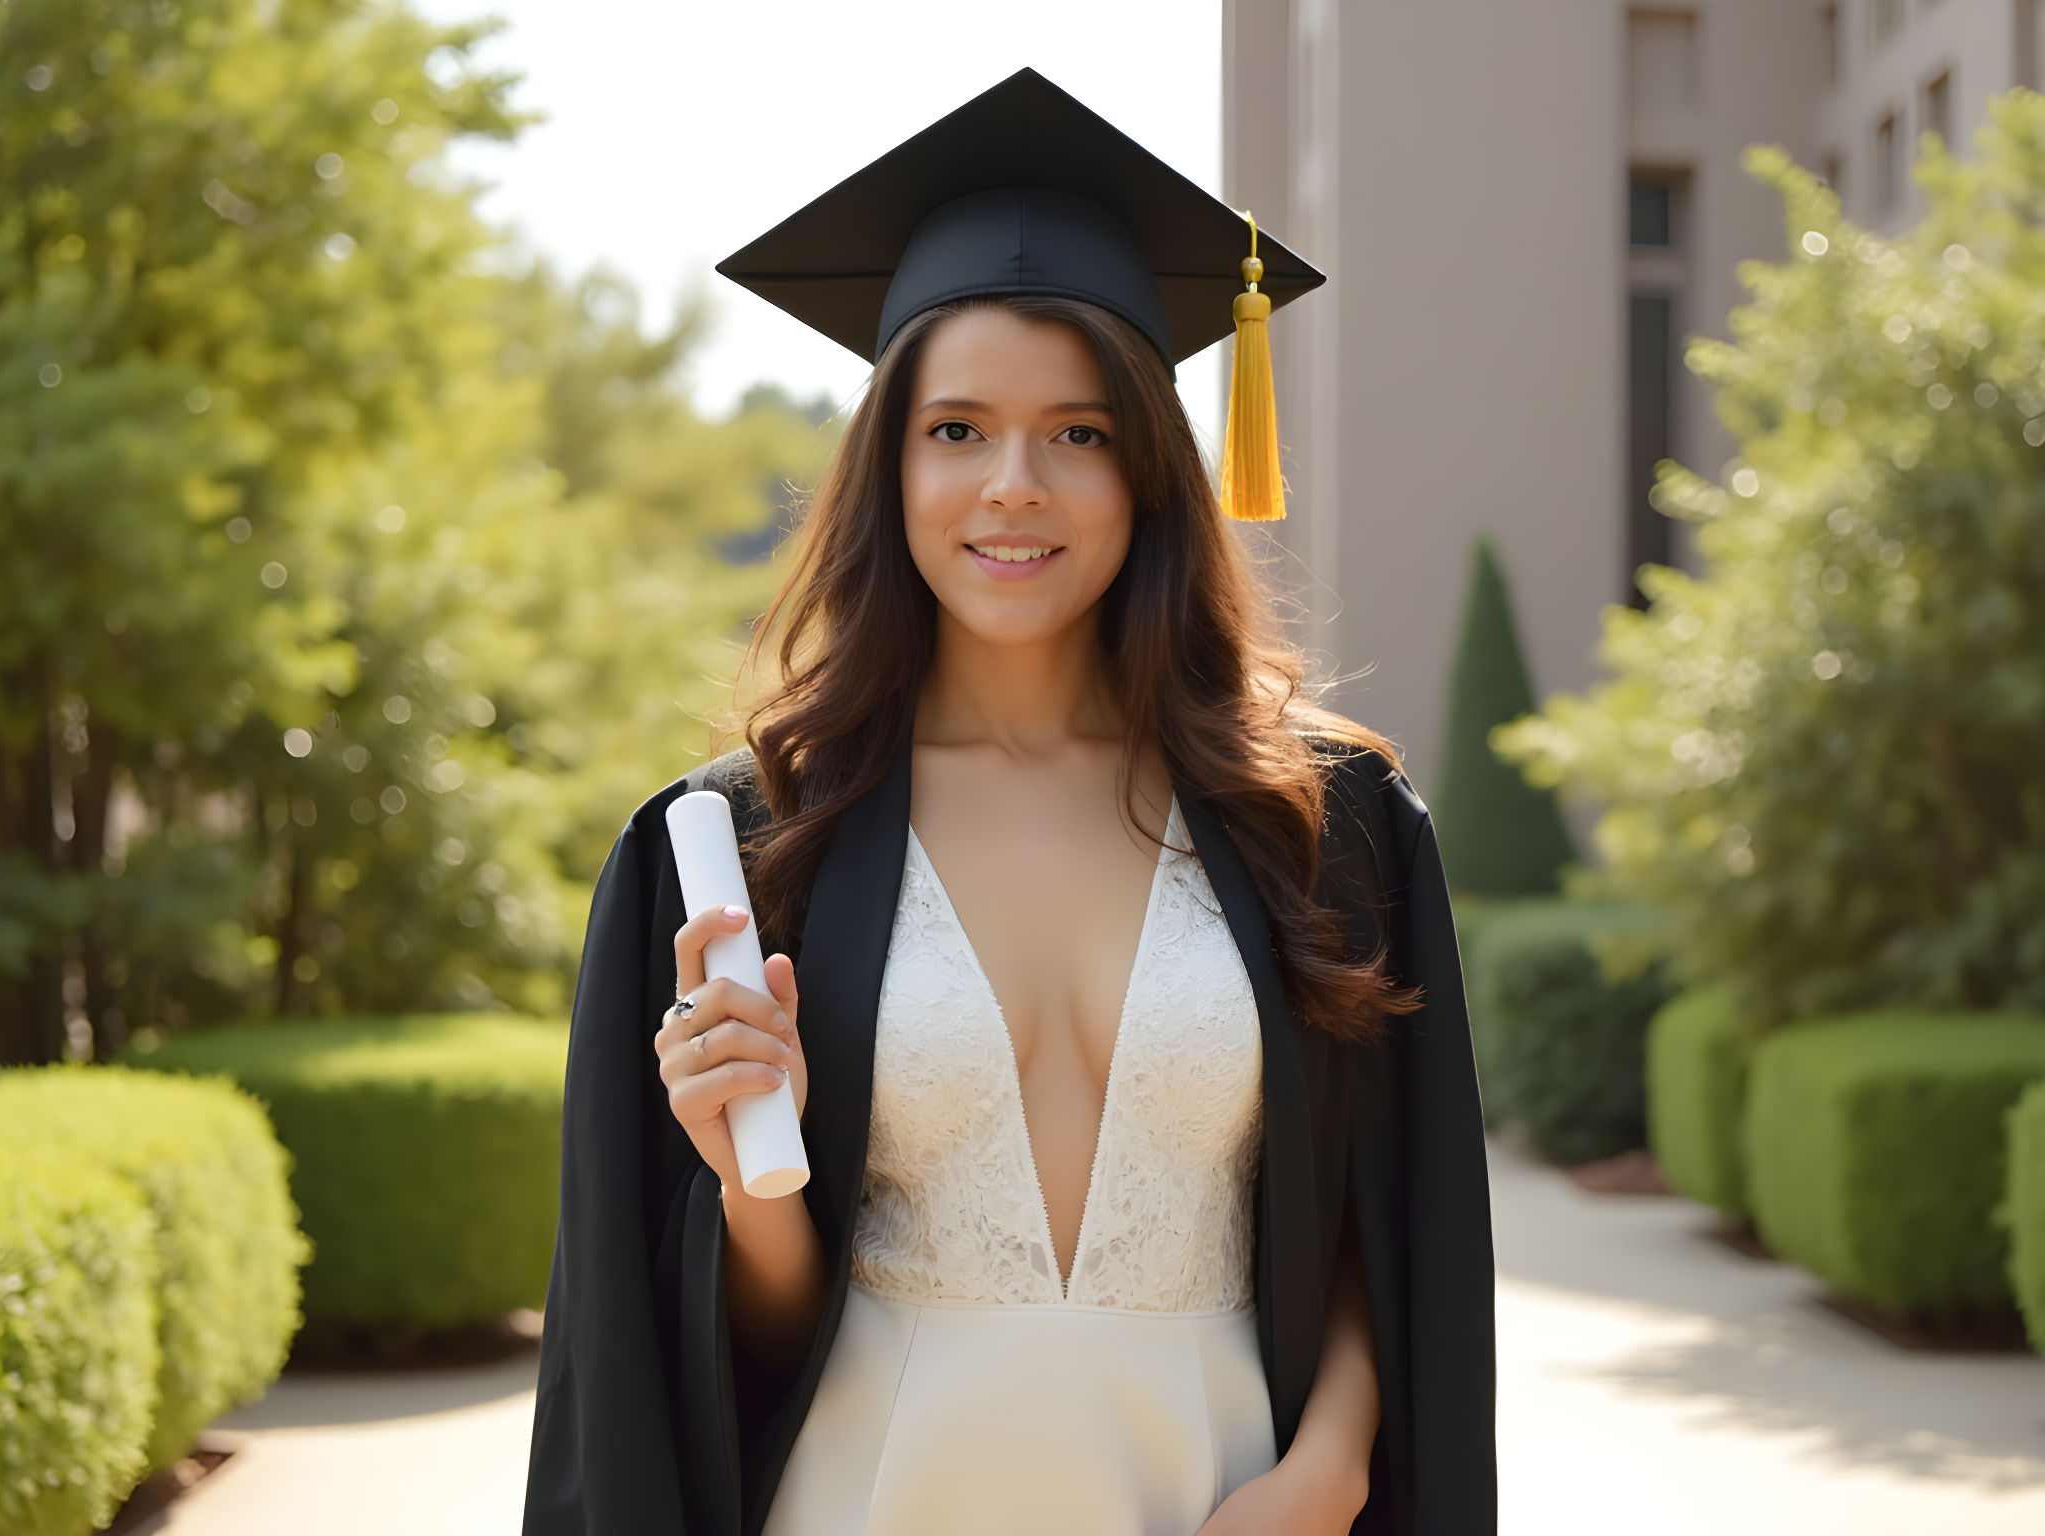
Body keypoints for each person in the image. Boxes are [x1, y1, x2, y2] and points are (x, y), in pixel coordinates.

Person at [523, 68, 1494, 1536]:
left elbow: (1382, 1208)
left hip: (1218, 1490)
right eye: (958, 430)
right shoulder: (748, 847)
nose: (1013, 489)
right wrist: (746, 1178)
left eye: (1080, 434)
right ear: (889, 466)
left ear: (1151, 469)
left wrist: (1332, 1465)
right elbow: (743, 1352)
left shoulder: (1326, 820)